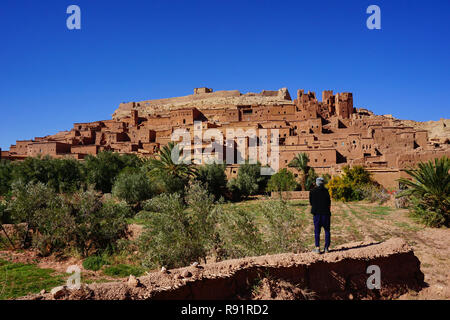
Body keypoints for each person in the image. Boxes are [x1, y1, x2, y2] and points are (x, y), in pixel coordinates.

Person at [309, 177, 331, 253]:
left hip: (317, 214)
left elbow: (311, 203)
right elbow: (329, 203)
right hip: (326, 214)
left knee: (317, 231)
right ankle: (326, 248)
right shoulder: (326, 191)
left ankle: (317, 248)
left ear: (316, 183)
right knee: (327, 231)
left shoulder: (312, 191)